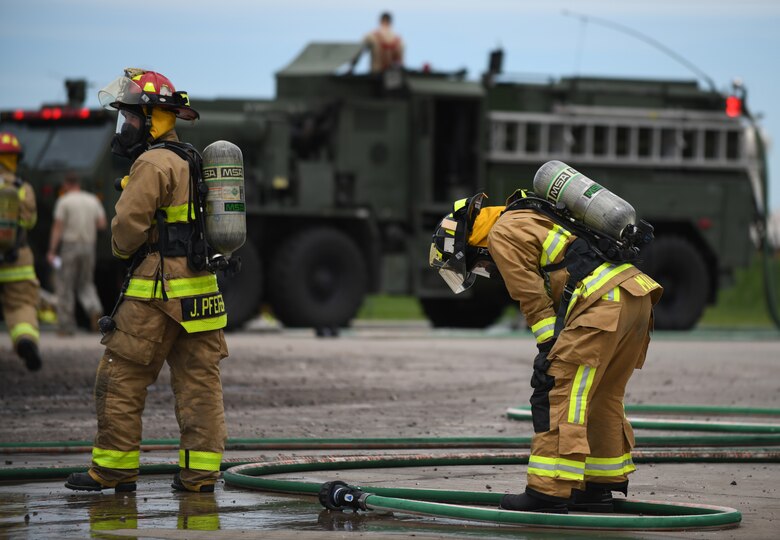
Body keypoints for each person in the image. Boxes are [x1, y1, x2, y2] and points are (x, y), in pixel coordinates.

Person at [430, 185, 662, 513]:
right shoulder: (531, 214)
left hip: (601, 303)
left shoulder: (500, 233)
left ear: (470, 244)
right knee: (603, 395)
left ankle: (548, 491)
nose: (486, 270)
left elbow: (531, 297)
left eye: (477, 264)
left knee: (558, 391)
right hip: (635, 295)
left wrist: (549, 347)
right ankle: (596, 487)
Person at [65, 69, 229, 493]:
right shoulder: (193, 159)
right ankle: (199, 477)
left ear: (154, 118)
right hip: (202, 293)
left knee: (120, 378)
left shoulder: (153, 162)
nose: (127, 126)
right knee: (200, 387)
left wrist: (124, 246)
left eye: (132, 117)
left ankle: (114, 470)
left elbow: (126, 231)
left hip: (156, 291)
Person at [0, 131, 42, 371]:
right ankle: (26, 340)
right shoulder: (23, 188)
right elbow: (29, 222)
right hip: (17, 261)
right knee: (21, 306)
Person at [47, 173, 107, 335]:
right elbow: (102, 224)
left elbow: (58, 227)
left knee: (65, 284)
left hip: (70, 246)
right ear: (78, 183)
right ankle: (94, 310)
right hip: (89, 246)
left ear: (66, 184)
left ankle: (66, 325)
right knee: (86, 283)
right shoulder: (92, 200)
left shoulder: (64, 201)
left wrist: (52, 250)